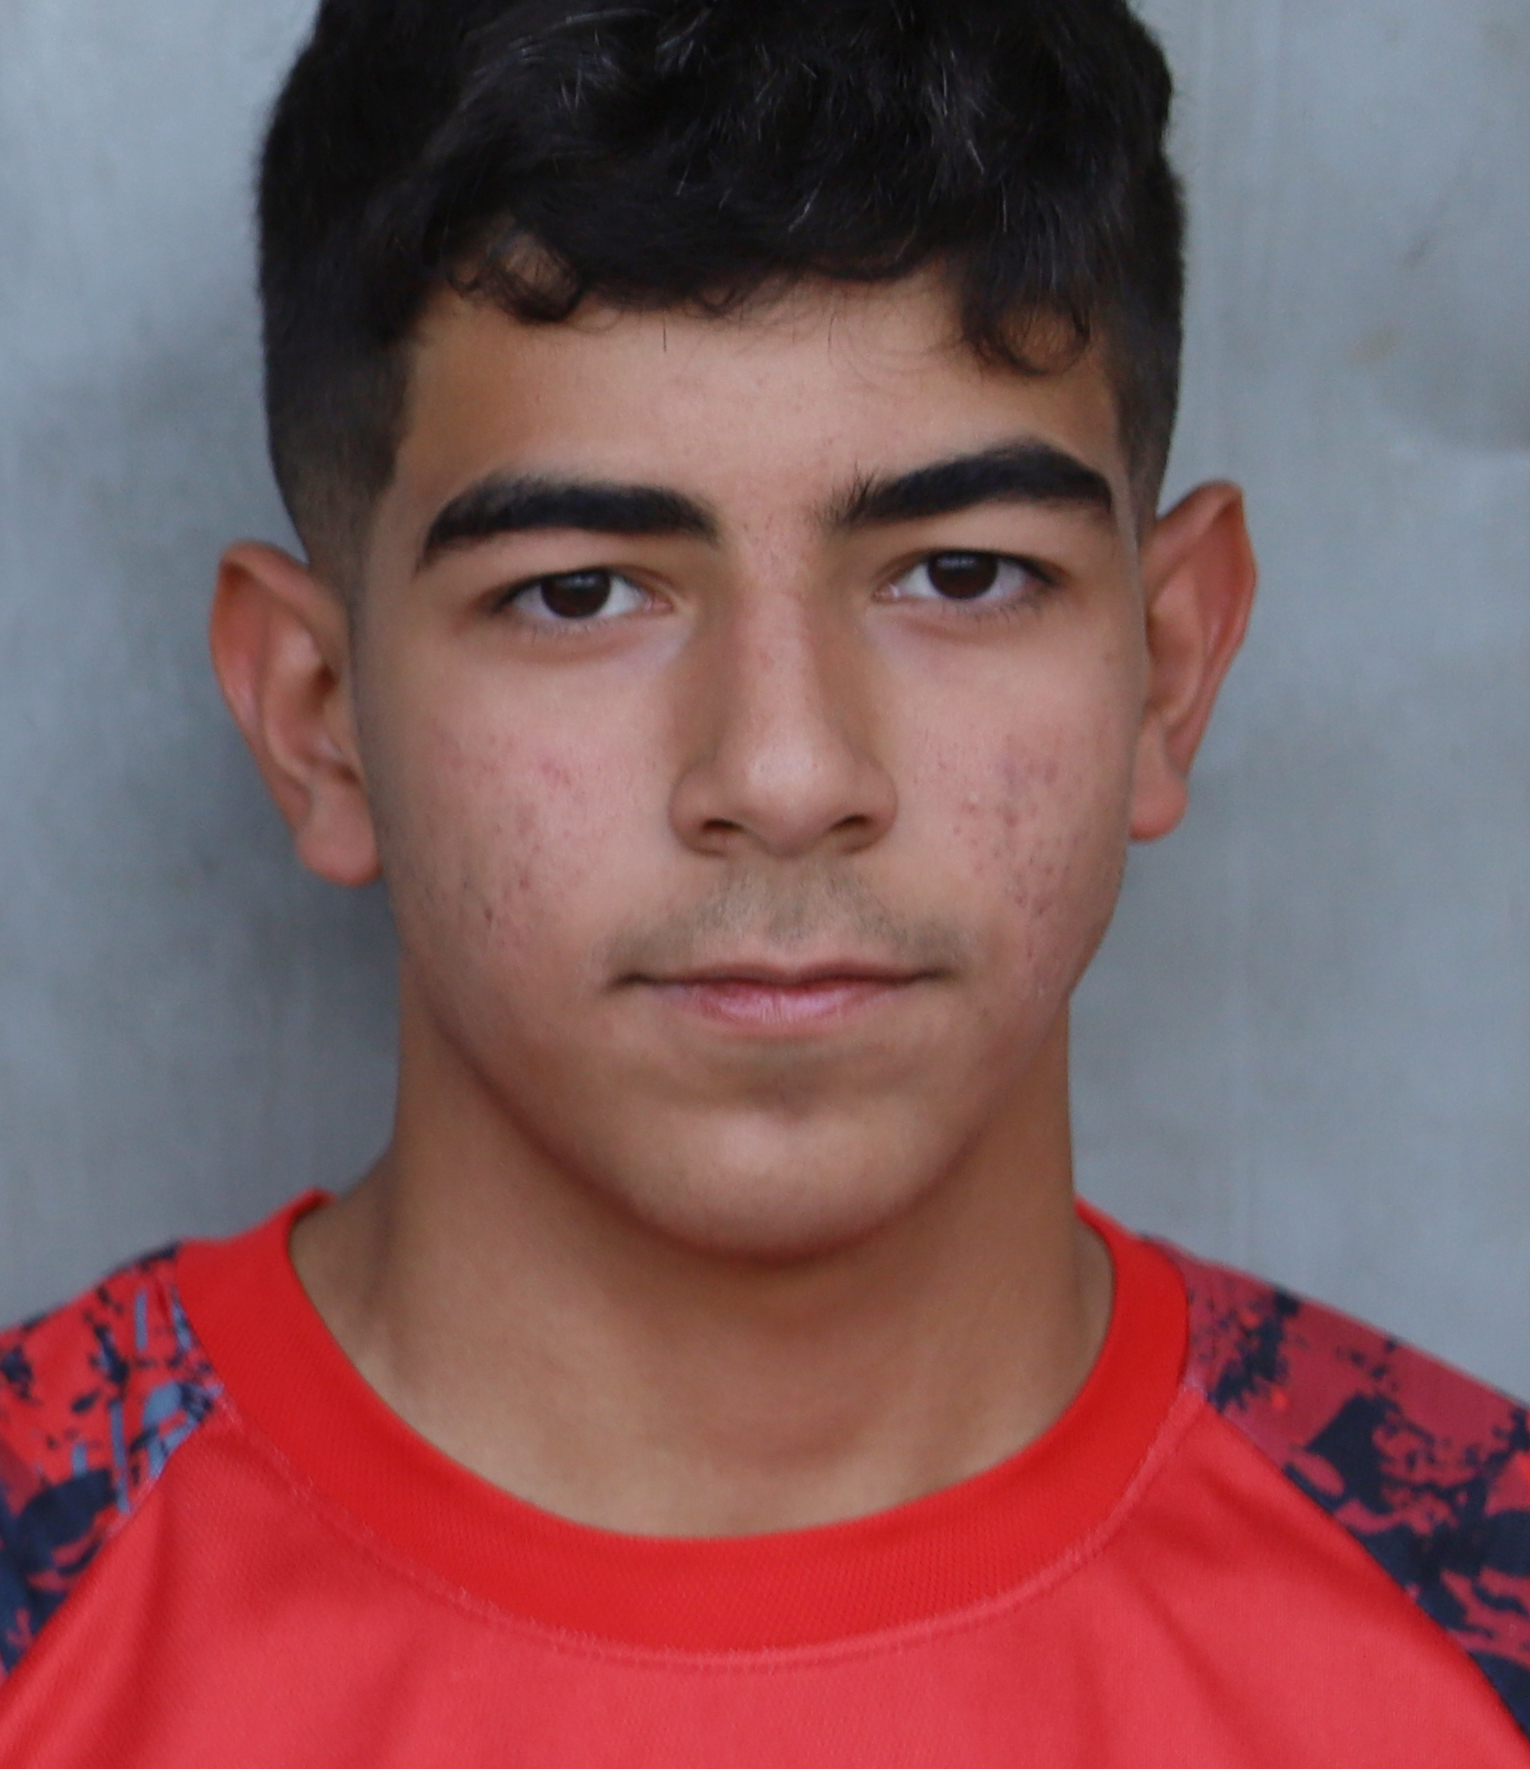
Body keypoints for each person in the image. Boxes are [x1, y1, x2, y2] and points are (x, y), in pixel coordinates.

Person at [1, 0, 1526, 1759]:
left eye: (961, 574)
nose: (787, 776)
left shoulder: (1476, 1606)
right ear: (316, 716)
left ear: (1165, 671)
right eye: (578, 592)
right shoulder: (47, 1597)